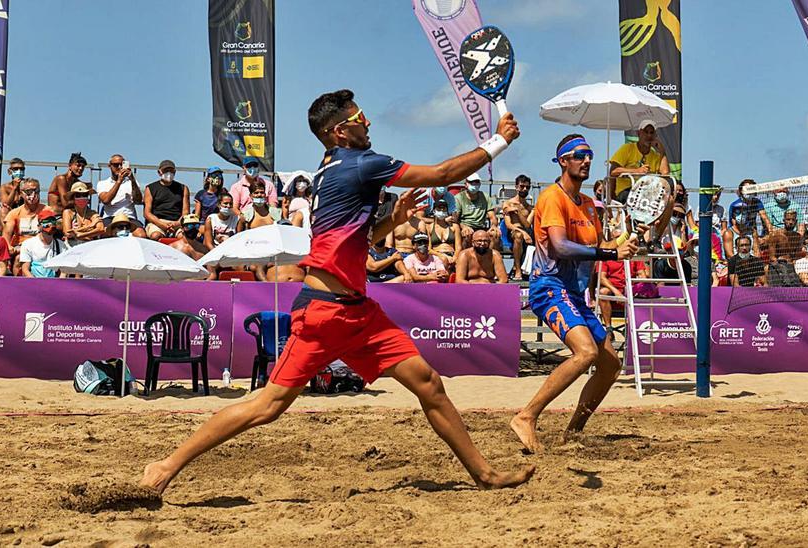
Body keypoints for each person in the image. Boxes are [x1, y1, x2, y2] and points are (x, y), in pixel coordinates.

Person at [142, 88, 533, 495]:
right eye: (360, 116)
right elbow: (440, 175)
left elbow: (354, 242)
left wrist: (390, 220)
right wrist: (499, 140)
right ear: (340, 131)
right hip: (324, 313)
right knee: (268, 406)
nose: (368, 122)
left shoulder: (329, 170)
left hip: (357, 310)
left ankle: (484, 475)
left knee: (429, 384)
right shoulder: (361, 163)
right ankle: (166, 465)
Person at [513, 133, 637, 455]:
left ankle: (573, 433)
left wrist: (622, 245)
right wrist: (609, 255)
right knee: (586, 353)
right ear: (563, 161)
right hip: (548, 285)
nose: (587, 161)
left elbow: (594, 249)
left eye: (590, 155)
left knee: (610, 365)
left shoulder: (588, 206)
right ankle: (526, 417)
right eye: (579, 155)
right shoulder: (552, 197)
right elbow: (561, 246)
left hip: (574, 292)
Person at [608, 119, 669, 200]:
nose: (649, 136)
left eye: (651, 133)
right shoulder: (627, 148)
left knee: (669, 198)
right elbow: (613, 171)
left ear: (655, 136)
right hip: (627, 191)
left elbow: (665, 174)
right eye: (646, 132)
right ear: (639, 134)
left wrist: (662, 151)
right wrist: (637, 171)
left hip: (647, 193)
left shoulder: (655, 155)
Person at [2, 178, 53, 269]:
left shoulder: (47, 210)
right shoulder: (14, 213)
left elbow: (54, 228)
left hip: (43, 247)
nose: (33, 195)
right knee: (19, 259)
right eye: (28, 191)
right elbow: (6, 235)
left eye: (36, 191)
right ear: (21, 194)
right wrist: (10, 248)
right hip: (21, 248)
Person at [96, 154, 146, 237]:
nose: (119, 167)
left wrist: (132, 179)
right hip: (110, 217)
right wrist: (119, 181)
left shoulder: (132, 182)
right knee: (104, 234)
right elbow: (105, 200)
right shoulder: (102, 183)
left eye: (121, 164)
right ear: (109, 166)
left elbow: (138, 200)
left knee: (141, 235)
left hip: (129, 217)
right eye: (116, 165)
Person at [144, 160, 190, 240]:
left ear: (175, 172)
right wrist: (162, 224)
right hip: (157, 223)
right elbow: (147, 213)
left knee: (183, 238)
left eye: (171, 171)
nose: (169, 173)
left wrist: (177, 224)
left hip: (177, 222)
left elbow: (185, 212)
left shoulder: (183, 188)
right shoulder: (150, 188)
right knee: (156, 236)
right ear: (159, 172)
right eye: (166, 170)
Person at [18, 210, 69, 278]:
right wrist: (36, 283)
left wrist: (59, 283)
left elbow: (64, 271)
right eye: (46, 221)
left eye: (52, 221)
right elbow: (25, 270)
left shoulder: (61, 245)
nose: (50, 224)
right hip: (34, 282)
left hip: (54, 283)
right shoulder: (28, 244)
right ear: (39, 226)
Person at [502, 174, 534, 279]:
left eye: (527, 187)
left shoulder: (530, 208)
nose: (524, 189)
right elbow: (508, 224)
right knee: (518, 235)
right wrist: (523, 233)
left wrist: (518, 212)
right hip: (513, 233)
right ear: (516, 187)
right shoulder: (508, 203)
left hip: (527, 233)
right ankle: (518, 270)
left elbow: (527, 224)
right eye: (522, 186)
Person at [454, 173, 496, 243]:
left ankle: (490, 254)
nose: (474, 184)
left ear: (479, 184)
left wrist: (494, 226)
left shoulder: (485, 197)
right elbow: (455, 219)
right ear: (466, 184)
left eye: (476, 182)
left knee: (495, 234)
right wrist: (464, 227)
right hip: (465, 226)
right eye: (471, 182)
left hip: (481, 227)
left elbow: (492, 217)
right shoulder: (459, 198)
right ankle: (465, 253)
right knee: (467, 234)